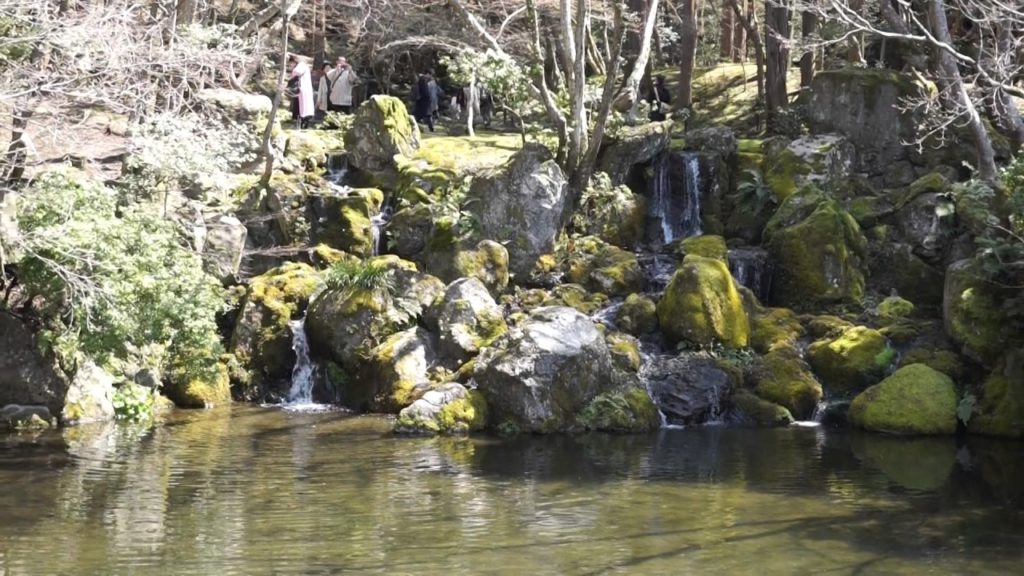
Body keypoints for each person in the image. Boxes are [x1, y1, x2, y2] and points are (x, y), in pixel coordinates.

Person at [288, 54, 315, 129]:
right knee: (302, 107)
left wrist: (291, 75)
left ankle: (301, 124)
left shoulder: (301, 66)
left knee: (301, 108)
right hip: (302, 90)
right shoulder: (303, 66)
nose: (291, 65)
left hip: (302, 89)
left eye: (291, 63)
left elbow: (296, 72)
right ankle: (301, 123)